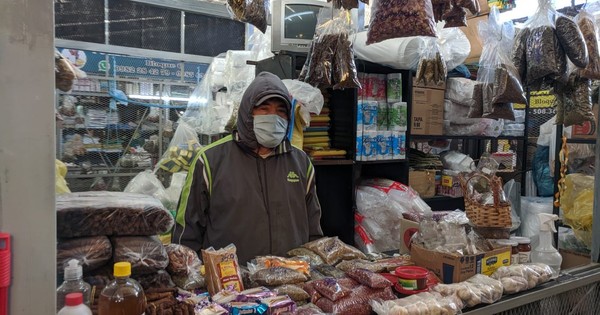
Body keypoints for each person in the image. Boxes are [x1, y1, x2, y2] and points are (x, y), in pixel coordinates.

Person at [172, 72, 323, 263]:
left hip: (291, 282)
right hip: (230, 286)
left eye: (281, 111)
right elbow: (187, 231)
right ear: (247, 112)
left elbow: (313, 229)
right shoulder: (210, 161)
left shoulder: (301, 162)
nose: (273, 117)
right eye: (264, 109)